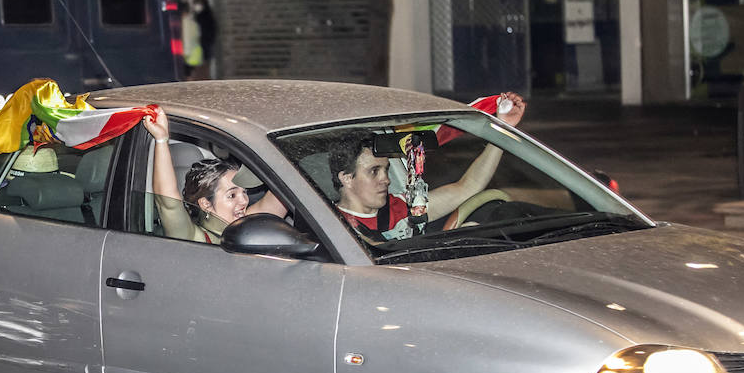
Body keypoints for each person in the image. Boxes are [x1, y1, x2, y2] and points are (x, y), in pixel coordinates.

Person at [329, 92, 527, 240]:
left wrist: (502, 129)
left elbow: (468, 187)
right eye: (374, 171)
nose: (386, 179)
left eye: (386, 169)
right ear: (346, 178)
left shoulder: (399, 207)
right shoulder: (328, 225)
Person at [143, 108, 285, 243]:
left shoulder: (245, 224)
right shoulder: (192, 237)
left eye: (244, 192)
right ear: (205, 203)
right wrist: (161, 140)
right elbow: (168, 203)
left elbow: (287, 189)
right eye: (232, 195)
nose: (244, 201)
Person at [191, 0, 217, 80]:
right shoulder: (196, 17)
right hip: (196, 48)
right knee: (198, 69)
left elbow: (212, 31)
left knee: (204, 67)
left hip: (205, 46)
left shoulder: (207, 17)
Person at [178, 1, 203, 79]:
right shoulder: (193, 23)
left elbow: (186, 40)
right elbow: (198, 37)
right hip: (194, 55)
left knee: (187, 78)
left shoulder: (182, 23)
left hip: (186, 55)